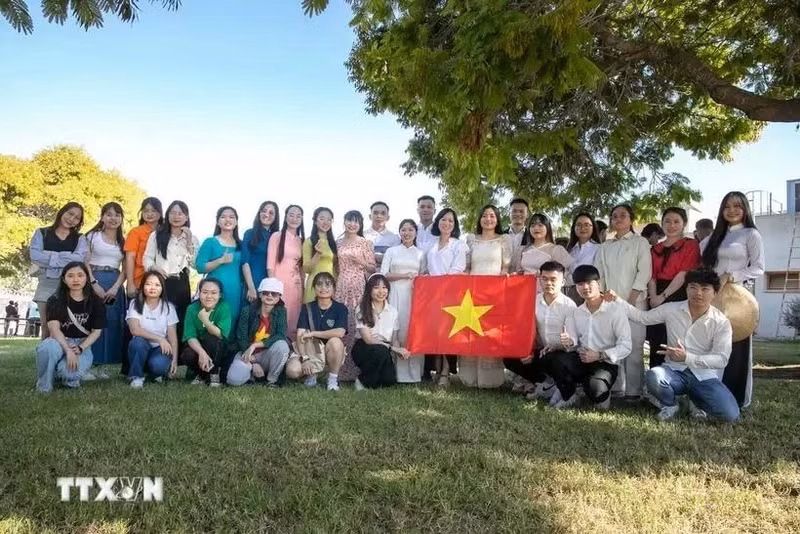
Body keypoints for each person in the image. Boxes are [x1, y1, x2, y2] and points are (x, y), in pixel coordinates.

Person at [605, 267, 739, 422]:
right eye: (693, 287)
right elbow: (642, 317)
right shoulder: (672, 309)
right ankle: (669, 405)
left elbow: (722, 359)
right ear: (686, 289)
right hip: (674, 371)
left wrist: (688, 357)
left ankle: (696, 401)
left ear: (715, 293)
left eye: (705, 289)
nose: (698, 293)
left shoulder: (721, 322)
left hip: (703, 375)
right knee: (654, 376)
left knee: (730, 415)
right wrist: (617, 299)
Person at [700, 191, 765, 408]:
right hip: (713, 296)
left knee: (737, 348)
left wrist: (731, 275)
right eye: (727, 206)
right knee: (711, 345)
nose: (732, 210)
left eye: (737, 206)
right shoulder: (712, 238)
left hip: (738, 299)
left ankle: (736, 398)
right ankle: (710, 395)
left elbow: (758, 268)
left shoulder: (751, 235)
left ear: (745, 209)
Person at [547, 265, 631, 409]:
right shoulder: (577, 312)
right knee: (553, 358)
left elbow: (626, 345)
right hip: (582, 359)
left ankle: (594, 390)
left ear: (598, 283)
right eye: (580, 284)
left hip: (605, 363)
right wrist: (569, 341)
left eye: (589, 283)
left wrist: (600, 355)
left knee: (595, 390)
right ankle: (570, 394)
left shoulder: (615, 311)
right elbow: (573, 338)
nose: (585, 287)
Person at [594, 204, 652, 400]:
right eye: (614, 216)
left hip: (635, 302)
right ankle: (617, 387)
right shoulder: (605, 246)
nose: (618, 219)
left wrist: (631, 300)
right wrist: (602, 296)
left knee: (635, 346)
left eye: (623, 216)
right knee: (613, 344)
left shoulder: (640, 242)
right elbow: (598, 274)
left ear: (631, 220)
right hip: (609, 304)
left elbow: (644, 271)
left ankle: (634, 391)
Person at [503, 261, 577, 399]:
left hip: (563, 352)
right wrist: (527, 351)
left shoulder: (569, 306)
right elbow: (525, 330)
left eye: (553, 279)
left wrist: (558, 345)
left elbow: (573, 340)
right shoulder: (532, 301)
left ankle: (570, 393)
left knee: (553, 359)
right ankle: (545, 384)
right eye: (545, 279)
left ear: (563, 282)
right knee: (510, 358)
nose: (549, 283)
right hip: (541, 350)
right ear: (539, 279)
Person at [34, 262, 106, 393]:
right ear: (64, 279)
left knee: (70, 374)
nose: (76, 279)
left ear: (87, 278)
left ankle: (62, 373)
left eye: (80, 275)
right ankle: (44, 386)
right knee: (47, 346)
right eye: (70, 276)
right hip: (59, 341)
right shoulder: (55, 300)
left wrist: (80, 348)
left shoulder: (96, 302)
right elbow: (54, 329)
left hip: (82, 343)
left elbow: (96, 332)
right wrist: (68, 350)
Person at [462, 204, 512, 389]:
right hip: (472, 293)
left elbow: (505, 267)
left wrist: (502, 283)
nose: (488, 219)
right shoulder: (471, 240)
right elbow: (466, 267)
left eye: (492, 215)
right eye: (484, 215)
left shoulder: (503, 240)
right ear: (479, 219)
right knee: (471, 331)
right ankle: (469, 377)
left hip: (494, 293)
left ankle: (489, 379)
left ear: (497, 219)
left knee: (490, 332)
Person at [647, 207, 701, 368]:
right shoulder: (654, 249)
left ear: (684, 224)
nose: (671, 225)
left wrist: (662, 297)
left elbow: (683, 273)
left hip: (679, 292)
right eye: (667, 221)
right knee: (656, 338)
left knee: (677, 337)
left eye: (676, 221)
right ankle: (655, 378)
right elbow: (652, 276)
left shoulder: (691, 245)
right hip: (656, 293)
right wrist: (653, 298)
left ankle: (678, 377)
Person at [143, 200, 198, 345]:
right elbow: (147, 258)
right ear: (167, 216)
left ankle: (177, 353)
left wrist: (189, 243)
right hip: (162, 280)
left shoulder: (192, 238)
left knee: (180, 316)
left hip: (182, 282)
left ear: (186, 217)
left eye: (180, 213)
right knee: (161, 315)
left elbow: (195, 265)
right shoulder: (157, 235)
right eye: (173, 213)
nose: (176, 216)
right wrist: (155, 269)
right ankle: (158, 347)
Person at [29, 202, 88, 339]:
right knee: (46, 326)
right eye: (70, 214)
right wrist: (66, 257)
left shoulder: (80, 238)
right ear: (62, 212)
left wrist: (49, 255)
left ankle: (63, 357)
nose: (71, 219)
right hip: (45, 282)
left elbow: (78, 260)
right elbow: (35, 256)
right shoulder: (42, 233)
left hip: (69, 285)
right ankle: (45, 358)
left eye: (77, 217)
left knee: (64, 326)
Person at [424, 207, 468, 386]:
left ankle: (445, 372)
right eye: (443, 219)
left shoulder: (459, 244)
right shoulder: (430, 244)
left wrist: (444, 285)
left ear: (455, 224)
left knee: (448, 333)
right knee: (436, 332)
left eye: (451, 221)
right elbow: (426, 268)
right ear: (438, 222)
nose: (446, 223)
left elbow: (458, 268)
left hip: (451, 293)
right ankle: (436, 368)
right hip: (432, 294)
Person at [84, 202, 127, 377]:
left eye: (117, 215)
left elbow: (126, 268)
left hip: (114, 283)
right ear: (102, 217)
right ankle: (88, 363)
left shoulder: (123, 241)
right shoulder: (92, 236)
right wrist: (93, 283)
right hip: (94, 279)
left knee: (110, 323)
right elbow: (84, 261)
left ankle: (103, 365)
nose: (113, 218)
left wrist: (116, 287)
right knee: (92, 321)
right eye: (109, 214)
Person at [381, 219, 426, 383]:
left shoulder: (421, 253)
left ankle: (414, 374)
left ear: (415, 233)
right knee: (396, 329)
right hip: (395, 293)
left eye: (410, 230)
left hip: (414, 295)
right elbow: (384, 274)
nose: (406, 233)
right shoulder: (392, 251)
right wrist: (405, 275)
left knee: (412, 330)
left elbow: (424, 275)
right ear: (399, 233)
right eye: (403, 230)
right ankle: (396, 373)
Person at [286, 272, 348, 391]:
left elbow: (340, 332)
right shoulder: (307, 308)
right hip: (310, 349)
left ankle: (332, 379)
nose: (323, 288)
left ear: (334, 288)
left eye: (328, 285)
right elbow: (300, 335)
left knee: (336, 341)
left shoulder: (340, 308)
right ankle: (311, 375)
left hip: (329, 349)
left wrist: (314, 333)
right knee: (292, 371)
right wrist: (305, 358)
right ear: (314, 288)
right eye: (319, 284)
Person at [335, 210, 376, 381]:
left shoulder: (365, 243)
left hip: (359, 286)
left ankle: (356, 370)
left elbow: (372, 268)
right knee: (342, 326)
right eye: (349, 221)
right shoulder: (337, 243)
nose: (352, 224)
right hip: (341, 285)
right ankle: (338, 370)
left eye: (356, 222)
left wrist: (361, 262)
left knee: (357, 325)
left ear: (360, 225)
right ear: (344, 222)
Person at [227, 277, 290, 387]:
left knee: (283, 346)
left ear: (279, 297)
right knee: (233, 380)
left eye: (274, 294)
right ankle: (251, 375)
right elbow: (241, 338)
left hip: (267, 353)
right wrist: (253, 361)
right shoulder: (247, 310)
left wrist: (255, 345)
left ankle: (272, 381)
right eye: (265, 293)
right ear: (260, 295)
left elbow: (281, 335)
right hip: (247, 352)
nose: (269, 296)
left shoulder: (281, 311)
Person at [352, 274, 409, 389]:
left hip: (385, 349)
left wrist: (399, 351)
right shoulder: (361, 308)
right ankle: (362, 381)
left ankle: (372, 378)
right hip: (364, 347)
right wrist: (392, 348)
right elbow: (368, 339)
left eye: (384, 288)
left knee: (389, 381)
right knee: (381, 351)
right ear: (369, 290)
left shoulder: (393, 311)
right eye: (376, 287)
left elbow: (394, 339)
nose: (381, 291)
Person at [126, 271, 179, 388]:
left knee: (159, 365)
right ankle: (137, 376)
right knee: (137, 342)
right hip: (142, 344)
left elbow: (172, 337)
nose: (152, 288)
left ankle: (155, 374)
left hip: (160, 348)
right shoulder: (135, 303)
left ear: (162, 288)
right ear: (143, 286)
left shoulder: (168, 307)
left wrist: (174, 360)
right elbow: (134, 330)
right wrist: (160, 339)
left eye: (157, 285)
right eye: (148, 284)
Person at [179, 278, 233, 386]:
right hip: (199, 345)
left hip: (219, 348)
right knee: (187, 354)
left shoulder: (224, 307)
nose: (209, 296)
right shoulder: (192, 308)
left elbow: (220, 334)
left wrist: (205, 321)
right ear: (199, 293)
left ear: (220, 295)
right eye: (205, 292)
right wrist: (201, 353)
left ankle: (214, 374)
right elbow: (190, 336)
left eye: (214, 293)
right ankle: (201, 375)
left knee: (212, 339)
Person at [197, 206, 243, 323]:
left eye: (231, 217)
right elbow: (200, 267)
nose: (227, 220)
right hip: (213, 292)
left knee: (233, 320)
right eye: (223, 217)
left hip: (236, 291)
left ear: (236, 222)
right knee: (214, 321)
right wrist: (220, 261)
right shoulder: (210, 242)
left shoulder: (241, 245)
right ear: (217, 221)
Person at [267, 204, 305, 340]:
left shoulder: (301, 241)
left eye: (298, 216)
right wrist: (272, 288)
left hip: (296, 286)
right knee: (277, 319)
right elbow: (270, 265)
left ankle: (291, 355)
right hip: (279, 286)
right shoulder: (276, 236)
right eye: (291, 215)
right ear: (285, 217)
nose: (294, 218)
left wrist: (304, 288)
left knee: (294, 320)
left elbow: (301, 268)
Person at [512, 213, 573, 282]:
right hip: (525, 288)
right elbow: (517, 271)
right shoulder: (522, 249)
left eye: (540, 225)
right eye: (532, 225)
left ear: (547, 228)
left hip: (546, 289)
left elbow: (562, 274)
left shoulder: (555, 249)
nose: (536, 228)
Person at [124, 197, 163, 298]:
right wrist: (130, 284)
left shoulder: (165, 232)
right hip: (139, 282)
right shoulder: (136, 232)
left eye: (153, 211)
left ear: (160, 213)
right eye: (145, 211)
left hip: (162, 283)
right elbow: (130, 258)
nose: (149, 214)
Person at [241, 201, 280, 304]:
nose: (267, 214)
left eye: (271, 213)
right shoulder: (250, 233)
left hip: (271, 286)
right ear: (259, 213)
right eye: (264, 211)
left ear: (276, 217)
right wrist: (251, 287)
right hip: (253, 282)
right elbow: (245, 262)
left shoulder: (277, 237)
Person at [303, 207, 337, 303]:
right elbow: (306, 269)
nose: (325, 222)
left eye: (329, 219)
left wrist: (335, 285)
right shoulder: (309, 241)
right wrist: (317, 254)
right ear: (315, 221)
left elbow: (334, 268)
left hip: (329, 285)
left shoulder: (333, 243)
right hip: (315, 285)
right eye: (322, 219)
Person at [566, 212, 601, 305]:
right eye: (579, 225)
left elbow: (598, 273)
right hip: (573, 293)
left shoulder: (599, 248)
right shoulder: (571, 250)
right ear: (574, 228)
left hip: (590, 293)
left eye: (586, 225)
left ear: (593, 227)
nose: (582, 228)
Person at [364, 201, 401, 267]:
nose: (379, 216)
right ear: (370, 216)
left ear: (388, 217)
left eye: (383, 213)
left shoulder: (395, 238)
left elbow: (394, 260)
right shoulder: (362, 236)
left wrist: (371, 256)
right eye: (375, 213)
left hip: (388, 276)